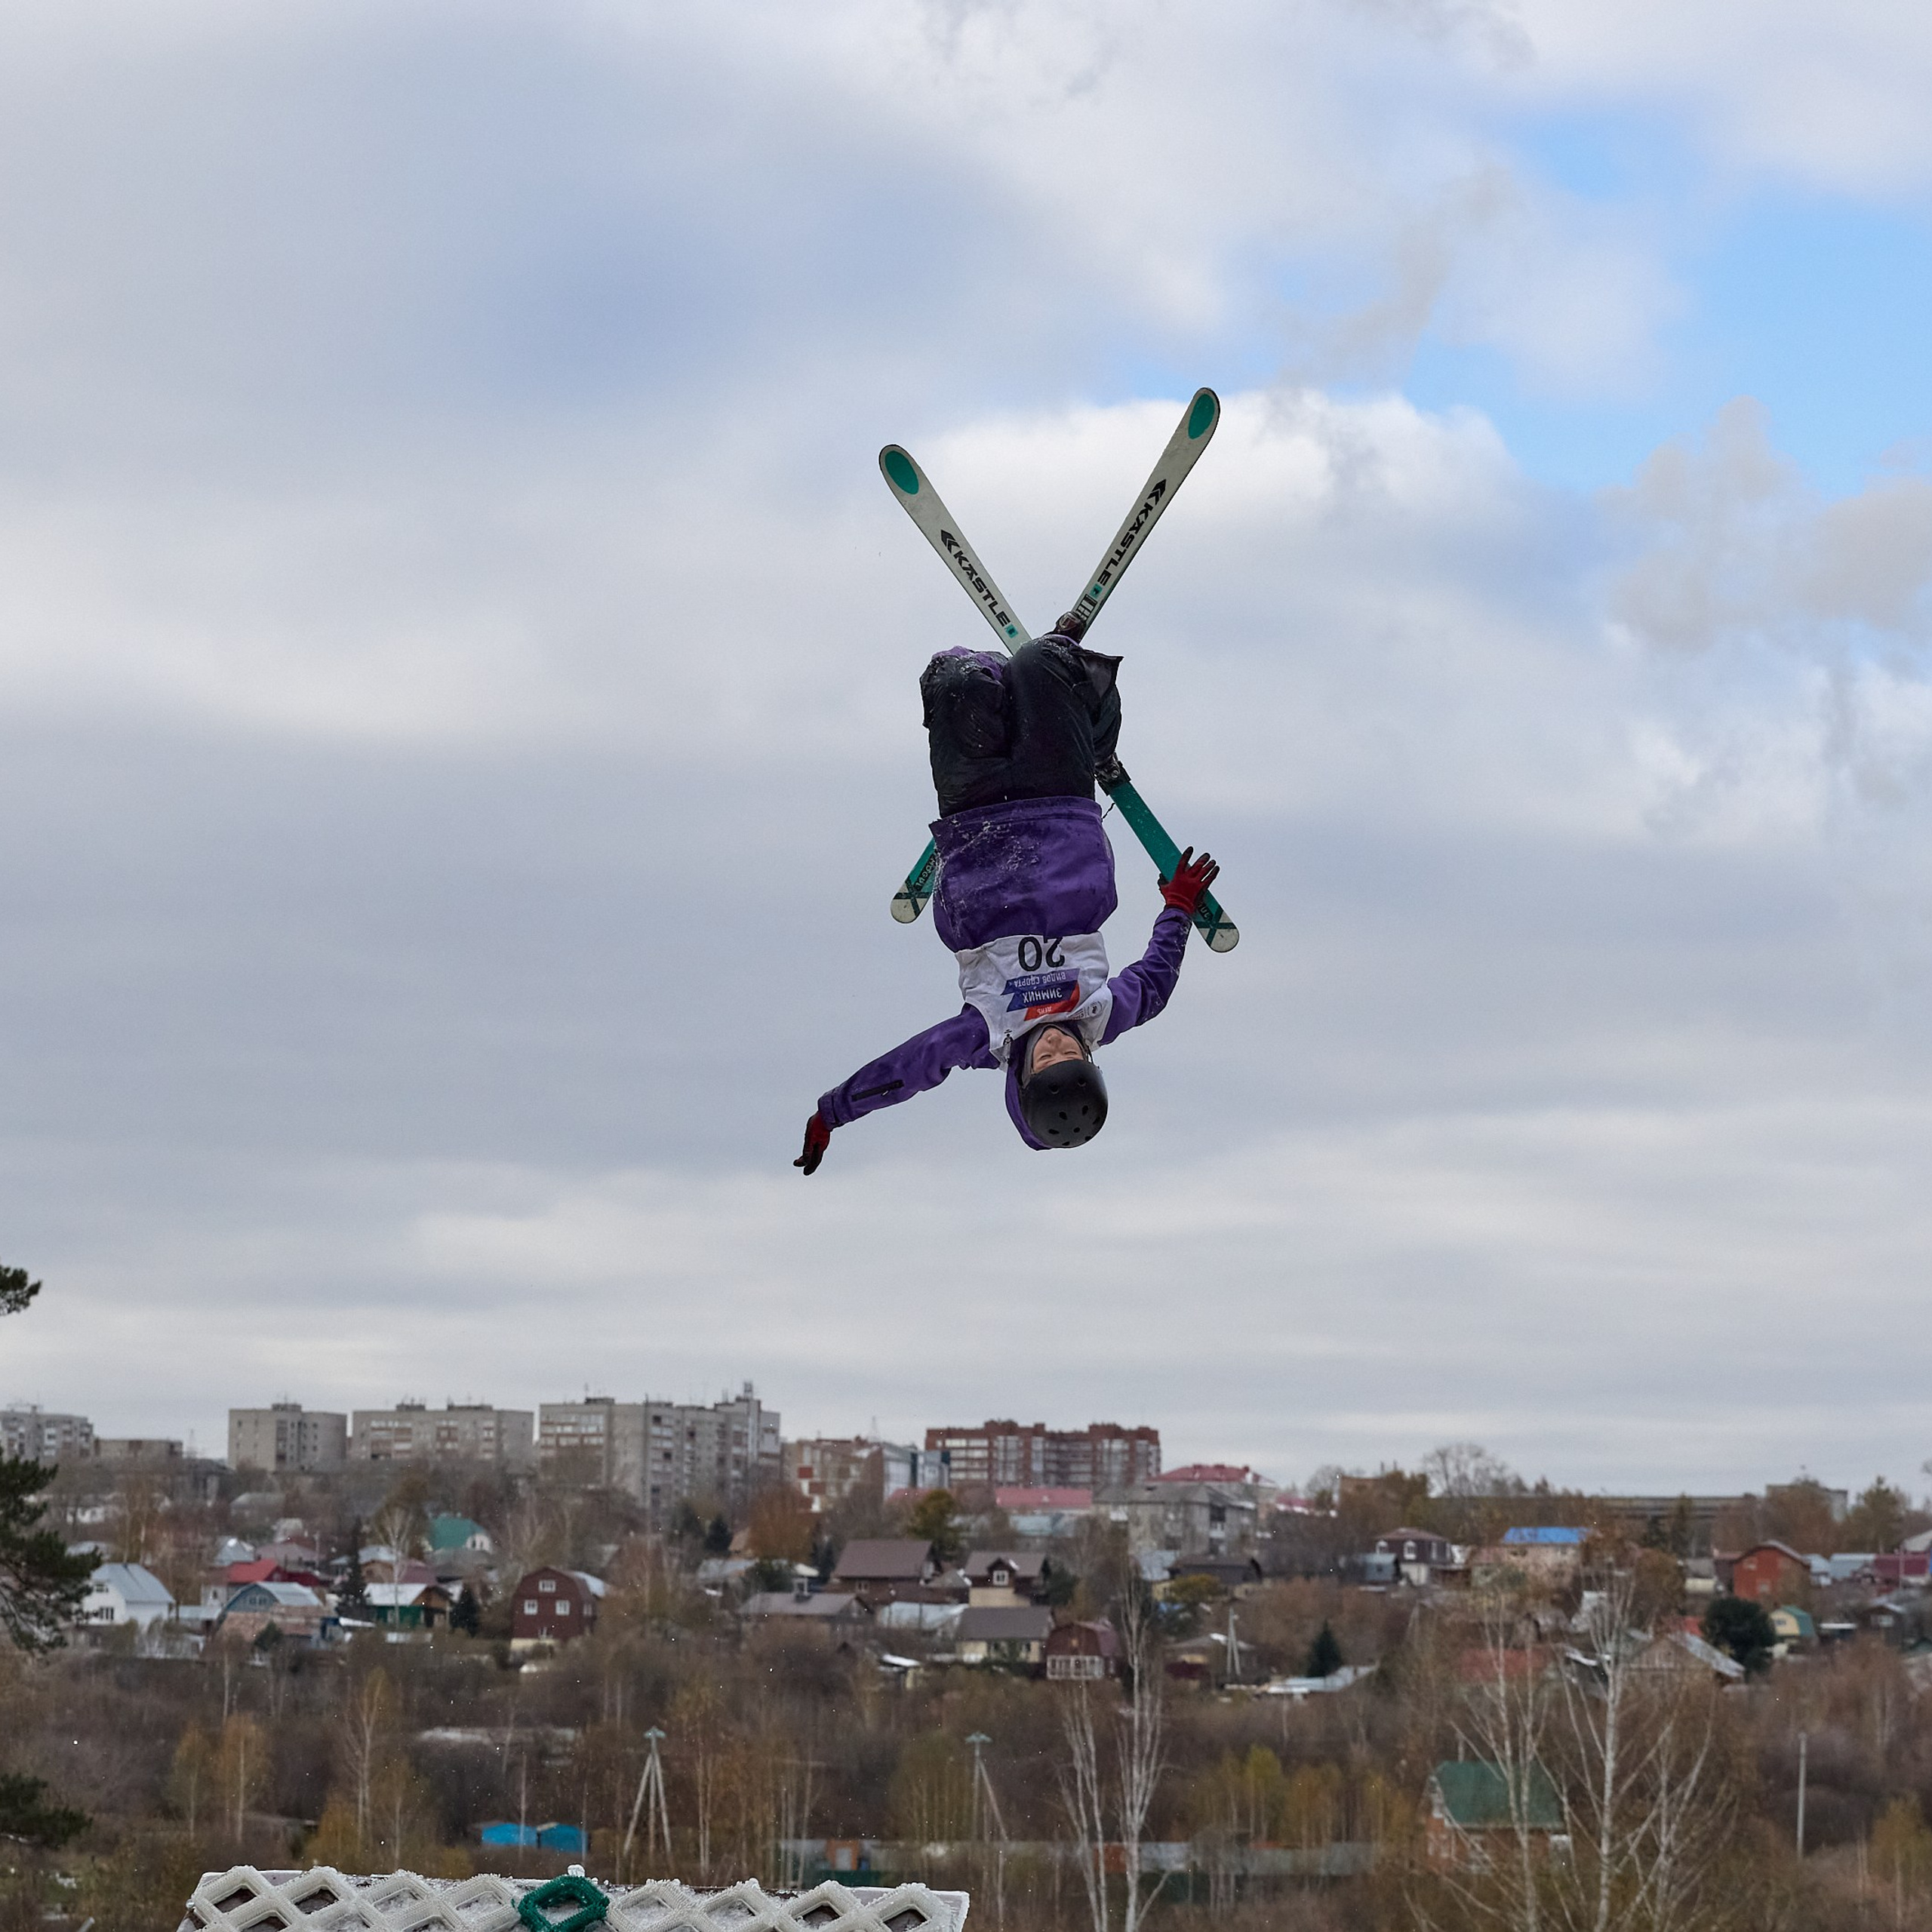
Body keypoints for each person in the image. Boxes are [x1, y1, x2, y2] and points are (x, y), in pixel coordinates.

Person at [795, 616, 1219, 1173]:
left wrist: (832, 1114)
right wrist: (1179, 906)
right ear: (1091, 1058)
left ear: (1021, 1077)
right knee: (1044, 663)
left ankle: (1010, 687)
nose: (1057, 1044)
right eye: (1072, 1053)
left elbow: (909, 1069)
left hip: (976, 825)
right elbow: (1157, 982)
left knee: (956, 680)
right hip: (1060, 807)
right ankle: (1079, 705)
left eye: (1046, 1060)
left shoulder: (984, 1034)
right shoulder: (1100, 1013)